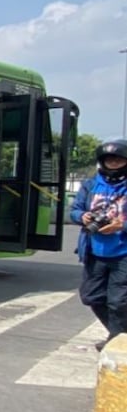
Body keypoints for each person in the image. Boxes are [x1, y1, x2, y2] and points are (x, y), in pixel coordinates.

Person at [70, 139, 127, 352]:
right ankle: (120, 335)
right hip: (95, 251)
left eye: (118, 160)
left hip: (123, 253)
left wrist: (121, 226)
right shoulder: (90, 185)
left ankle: (117, 340)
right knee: (91, 296)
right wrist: (82, 216)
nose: (113, 163)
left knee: (118, 301)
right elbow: (74, 210)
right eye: (109, 160)